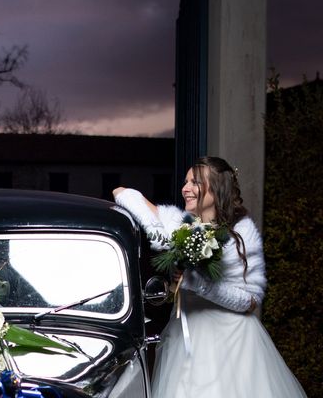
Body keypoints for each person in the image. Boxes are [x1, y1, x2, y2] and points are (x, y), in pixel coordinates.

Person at [113, 156, 307, 398]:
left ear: (217, 189)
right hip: (186, 339)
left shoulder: (241, 234)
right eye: (185, 182)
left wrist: (199, 284)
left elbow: (251, 300)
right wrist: (160, 234)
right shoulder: (180, 225)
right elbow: (121, 192)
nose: (185, 189)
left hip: (233, 343)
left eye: (195, 182)